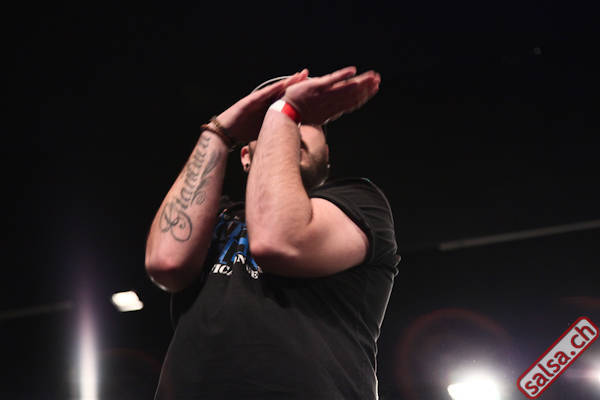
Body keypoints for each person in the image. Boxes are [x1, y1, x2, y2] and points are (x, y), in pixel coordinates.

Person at [145, 66, 400, 399]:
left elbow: (278, 241)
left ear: (327, 155)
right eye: (269, 119)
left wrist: (286, 111)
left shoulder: (361, 202)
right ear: (246, 156)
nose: (291, 125)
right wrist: (218, 133)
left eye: (308, 118)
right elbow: (165, 262)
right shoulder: (216, 216)